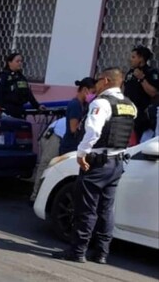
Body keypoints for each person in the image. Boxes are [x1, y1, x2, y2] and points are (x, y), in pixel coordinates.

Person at [54, 67, 137, 264]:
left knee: (86, 209)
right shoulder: (130, 105)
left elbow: (93, 131)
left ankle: (78, 251)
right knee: (106, 210)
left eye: (98, 81)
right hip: (116, 163)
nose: (95, 85)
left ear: (106, 81)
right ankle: (101, 253)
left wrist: (81, 153)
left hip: (97, 163)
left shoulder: (101, 103)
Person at [123, 46, 159, 142]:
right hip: (127, 113)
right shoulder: (130, 73)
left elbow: (153, 93)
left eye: (133, 57)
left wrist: (142, 78)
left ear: (141, 58)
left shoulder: (151, 73)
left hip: (142, 116)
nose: (130, 60)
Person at [0, 53, 45, 119]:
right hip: (7, 110)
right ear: (9, 62)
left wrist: (37, 106)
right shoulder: (4, 76)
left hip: (20, 110)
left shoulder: (21, 77)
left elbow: (28, 94)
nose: (20, 63)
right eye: (17, 61)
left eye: (21, 61)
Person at [29, 117, 66, 203]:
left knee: (52, 167)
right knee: (46, 165)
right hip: (55, 136)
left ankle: (43, 197)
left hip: (59, 135)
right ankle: (35, 196)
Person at [59, 77, 98, 154]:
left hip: (76, 145)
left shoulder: (85, 105)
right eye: (93, 92)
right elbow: (73, 129)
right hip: (70, 147)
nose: (94, 95)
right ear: (84, 90)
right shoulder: (75, 105)